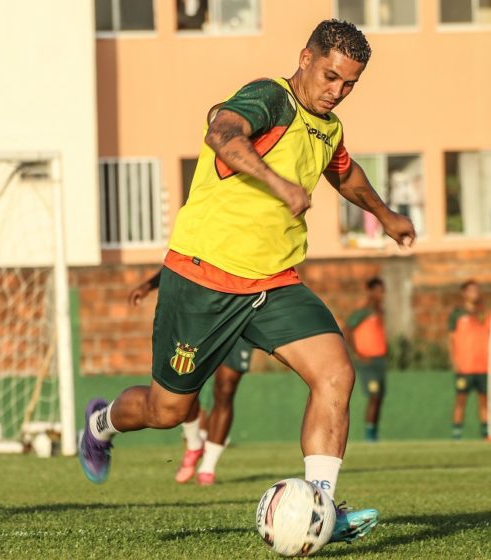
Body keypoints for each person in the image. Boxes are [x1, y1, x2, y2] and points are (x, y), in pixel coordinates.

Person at [78, 20, 416, 545]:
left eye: (349, 84)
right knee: (170, 411)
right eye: (330, 77)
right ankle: (101, 426)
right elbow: (222, 135)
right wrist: (278, 182)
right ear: (305, 57)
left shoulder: (327, 126)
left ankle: (320, 508)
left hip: (273, 284)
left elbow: (342, 171)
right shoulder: (269, 98)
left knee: (335, 375)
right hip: (203, 277)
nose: (337, 92)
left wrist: (386, 214)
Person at [129, 271, 252, 485]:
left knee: (226, 389)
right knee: (186, 381)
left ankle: (208, 466)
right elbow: (183, 260)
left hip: (243, 309)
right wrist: (149, 285)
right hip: (205, 313)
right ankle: (195, 444)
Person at [344, 277, 387, 442]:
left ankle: (374, 433)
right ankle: (369, 435)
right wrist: (357, 353)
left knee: (379, 397)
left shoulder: (379, 311)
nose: (382, 294)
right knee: (374, 396)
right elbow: (347, 330)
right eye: (378, 291)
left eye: (383, 291)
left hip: (379, 360)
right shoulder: (363, 312)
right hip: (367, 361)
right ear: (371, 292)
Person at [448, 280, 490, 440]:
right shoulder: (457, 314)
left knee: (484, 402)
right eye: (471, 290)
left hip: (483, 366)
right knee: (460, 401)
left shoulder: (484, 313)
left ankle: (486, 434)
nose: (475, 293)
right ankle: (456, 435)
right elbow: (450, 339)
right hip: (465, 366)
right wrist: (454, 360)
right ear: (464, 293)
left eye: (477, 290)